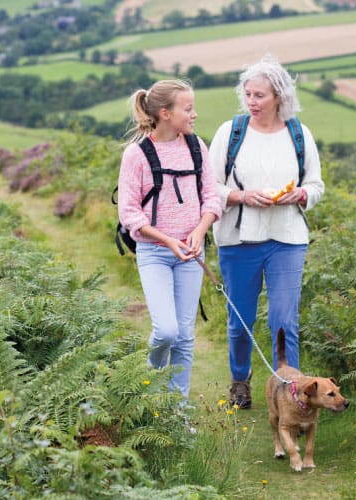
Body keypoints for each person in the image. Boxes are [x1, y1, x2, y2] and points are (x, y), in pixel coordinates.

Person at [207, 57, 324, 409]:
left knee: (284, 319)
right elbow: (209, 187)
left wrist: (301, 194)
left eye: (260, 95)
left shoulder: (299, 134)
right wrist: (241, 195)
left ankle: (291, 394)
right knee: (241, 320)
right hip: (238, 240)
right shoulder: (231, 132)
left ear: (279, 97)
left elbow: (316, 185)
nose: (252, 101)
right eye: (248, 94)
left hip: (287, 237)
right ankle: (240, 382)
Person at [117, 79, 221, 398]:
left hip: (191, 254)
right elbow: (129, 213)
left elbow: (212, 197)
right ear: (165, 113)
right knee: (166, 331)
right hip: (154, 253)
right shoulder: (136, 155)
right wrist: (168, 240)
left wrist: (198, 232)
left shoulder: (195, 147)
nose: (194, 115)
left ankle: (178, 414)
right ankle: (150, 385)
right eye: (187, 109)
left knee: (185, 337)